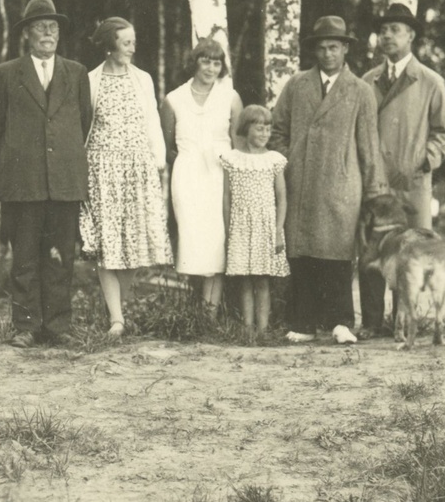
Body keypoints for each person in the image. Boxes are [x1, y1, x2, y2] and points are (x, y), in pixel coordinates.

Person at [0, 0, 93, 348]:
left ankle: (58, 327)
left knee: (62, 257)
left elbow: (83, 123)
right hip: (23, 181)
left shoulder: (76, 73)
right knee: (26, 257)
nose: (48, 32)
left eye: (54, 27)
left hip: (64, 180)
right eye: (41, 26)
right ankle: (26, 327)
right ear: (27, 33)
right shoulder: (5, 74)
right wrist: (4, 175)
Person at [269, 15, 386, 345]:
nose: (327, 54)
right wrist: (288, 162)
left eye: (334, 47)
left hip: (341, 183)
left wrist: (375, 191)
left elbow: (369, 144)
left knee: (337, 253)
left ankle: (340, 322)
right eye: (321, 48)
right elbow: (279, 131)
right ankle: (305, 323)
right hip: (301, 183)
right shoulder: (296, 85)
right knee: (302, 253)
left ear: (345, 48)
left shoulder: (360, 91)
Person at [360, 3, 445, 338]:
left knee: (411, 252)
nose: (387, 36)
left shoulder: (430, 82)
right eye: (383, 30)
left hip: (412, 185)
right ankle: (372, 322)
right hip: (375, 184)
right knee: (373, 252)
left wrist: (422, 161)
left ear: (411, 35)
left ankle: (403, 319)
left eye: (395, 30)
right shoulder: (366, 81)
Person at [79, 17, 172, 337]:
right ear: (109, 46)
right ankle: (117, 319)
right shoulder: (90, 80)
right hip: (102, 170)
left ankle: (117, 307)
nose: (132, 47)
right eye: (125, 42)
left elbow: (152, 123)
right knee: (107, 245)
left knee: (134, 244)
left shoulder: (142, 79)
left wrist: (158, 162)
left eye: (134, 41)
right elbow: (83, 127)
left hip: (138, 169)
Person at [160, 39, 243, 312]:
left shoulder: (230, 97)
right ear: (194, 62)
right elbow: (167, 146)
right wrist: (189, 163)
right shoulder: (174, 99)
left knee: (218, 239)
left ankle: (210, 313)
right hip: (188, 179)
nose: (211, 68)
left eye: (217, 63)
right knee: (194, 241)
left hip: (221, 177)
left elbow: (239, 144)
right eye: (205, 61)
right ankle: (195, 310)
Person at [221, 105, 289, 336]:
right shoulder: (232, 159)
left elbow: (282, 198)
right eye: (259, 128)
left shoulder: (274, 160)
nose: (264, 134)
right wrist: (228, 230)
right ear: (246, 128)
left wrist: (278, 230)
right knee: (245, 280)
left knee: (262, 280)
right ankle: (247, 329)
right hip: (241, 226)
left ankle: (263, 330)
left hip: (266, 226)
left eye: (268, 129)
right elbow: (227, 197)